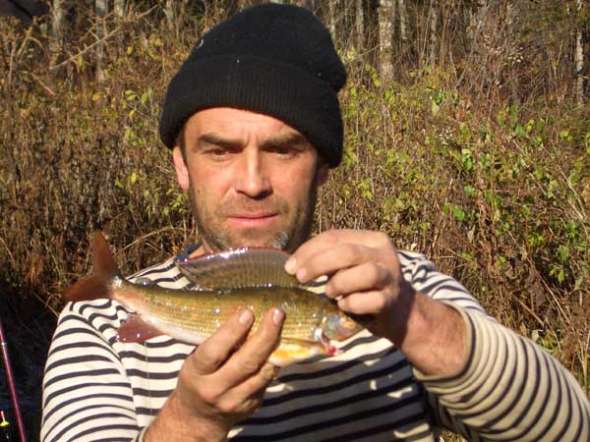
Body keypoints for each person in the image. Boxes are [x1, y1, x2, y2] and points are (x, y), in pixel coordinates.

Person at [41, 4, 589, 441]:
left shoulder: (400, 289)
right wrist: (190, 423)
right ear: (181, 166)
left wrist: (417, 322)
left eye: (283, 150)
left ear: (322, 166)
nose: (252, 182)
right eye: (220, 151)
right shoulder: (100, 324)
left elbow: (571, 428)